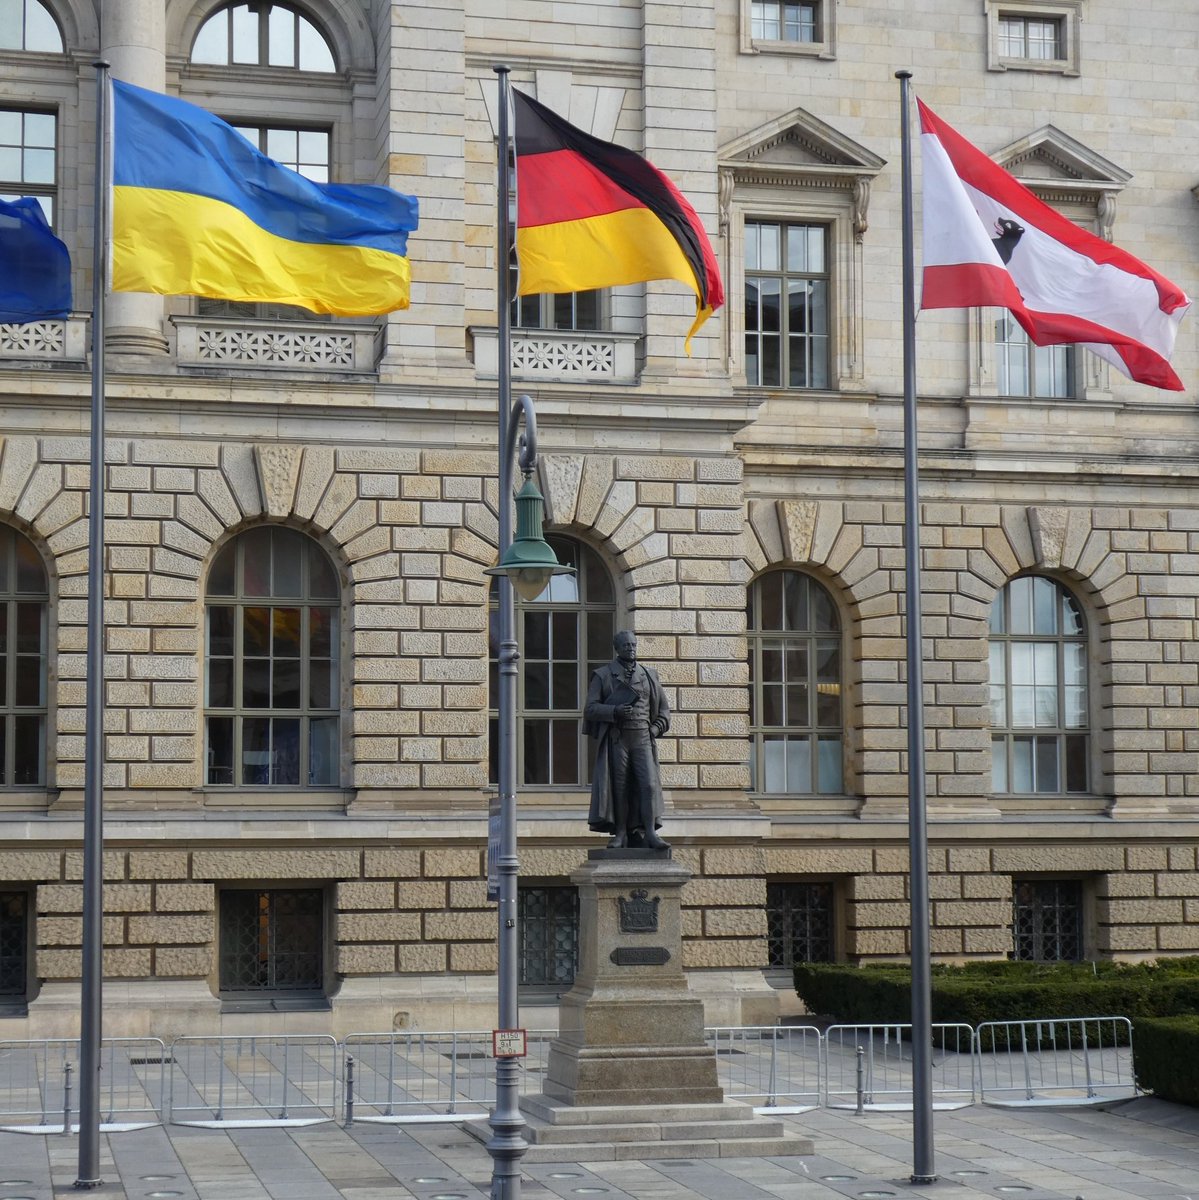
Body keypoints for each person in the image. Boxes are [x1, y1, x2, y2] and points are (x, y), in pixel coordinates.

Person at [584, 630, 670, 850]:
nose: (631, 649)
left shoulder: (649, 675)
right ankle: (620, 832)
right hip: (618, 738)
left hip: (643, 737)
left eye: (633, 645)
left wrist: (654, 729)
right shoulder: (603, 675)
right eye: (626, 646)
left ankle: (650, 832)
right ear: (617, 648)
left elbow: (664, 711)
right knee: (619, 787)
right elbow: (590, 709)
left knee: (648, 785)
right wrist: (614, 710)